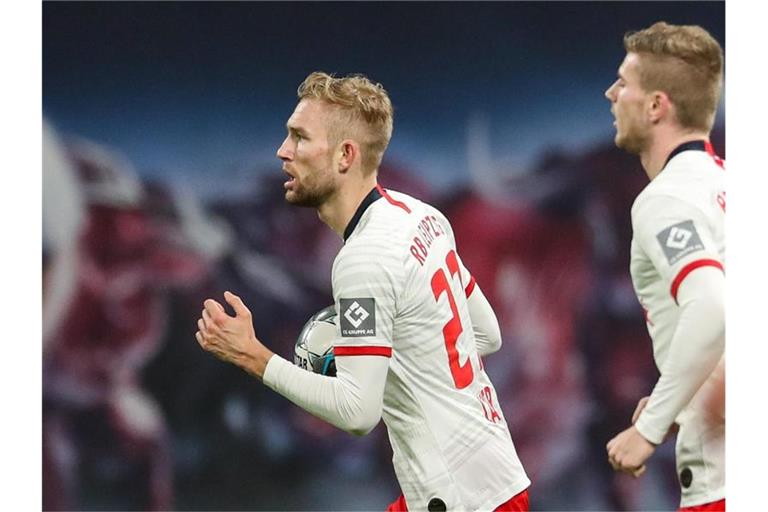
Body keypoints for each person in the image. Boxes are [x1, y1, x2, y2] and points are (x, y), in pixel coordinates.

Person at [195, 71, 530, 511]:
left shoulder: (363, 261)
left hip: (459, 498)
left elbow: (357, 413)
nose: (283, 151)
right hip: (492, 477)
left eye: (299, 137)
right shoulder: (421, 215)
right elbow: (486, 333)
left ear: (345, 155)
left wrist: (252, 355)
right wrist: (395, 354)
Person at [603, 22, 725, 511]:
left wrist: (648, 431)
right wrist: (678, 395)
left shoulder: (666, 197)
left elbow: (714, 307)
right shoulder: (728, 187)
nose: (612, 94)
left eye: (624, 84)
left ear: (656, 106)